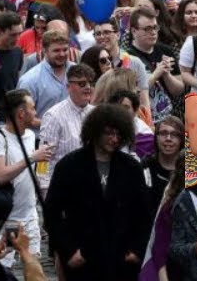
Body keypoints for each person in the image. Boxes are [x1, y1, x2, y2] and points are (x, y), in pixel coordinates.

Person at [44, 103, 153, 281]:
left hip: (121, 260)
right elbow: (52, 213)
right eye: (109, 133)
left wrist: (137, 250)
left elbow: (143, 214)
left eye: (118, 134)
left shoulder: (131, 167)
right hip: (83, 259)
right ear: (95, 132)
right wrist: (68, 251)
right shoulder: (69, 165)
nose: (114, 139)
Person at [0, 90, 50, 264]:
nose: (36, 112)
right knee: (3, 268)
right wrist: (31, 158)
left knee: (33, 266)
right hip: (9, 219)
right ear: (21, 113)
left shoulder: (31, 136)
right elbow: (0, 175)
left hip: (30, 215)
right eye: (33, 108)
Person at [39, 63, 96, 188]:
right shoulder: (54, 116)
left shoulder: (96, 114)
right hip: (62, 186)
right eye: (82, 84)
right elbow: (43, 159)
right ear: (68, 87)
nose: (88, 87)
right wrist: (45, 191)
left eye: (91, 83)